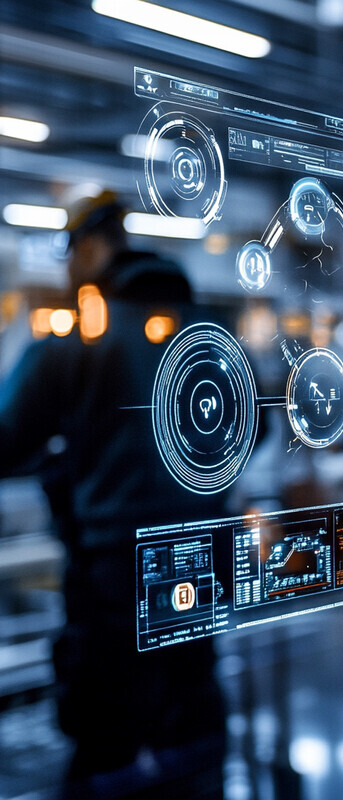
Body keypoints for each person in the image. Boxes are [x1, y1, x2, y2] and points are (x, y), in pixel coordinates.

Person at [0, 191, 228, 799]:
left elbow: (5, 441)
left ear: (94, 248)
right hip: (200, 556)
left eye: (69, 252)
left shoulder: (76, 340)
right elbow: (250, 426)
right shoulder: (203, 330)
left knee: (108, 731)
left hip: (113, 570)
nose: (66, 268)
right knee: (191, 718)